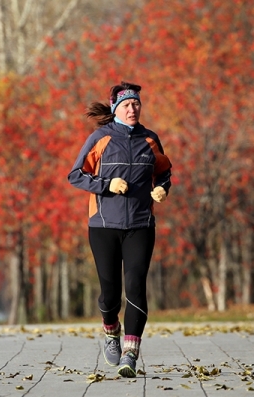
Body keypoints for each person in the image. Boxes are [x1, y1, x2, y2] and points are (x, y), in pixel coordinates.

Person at [67, 81, 172, 378]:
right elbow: (75, 175)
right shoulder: (100, 138)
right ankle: (111, 330)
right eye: (126, 105)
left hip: (140, 224)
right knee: (110, 292)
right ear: (115, 109)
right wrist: (106, 185)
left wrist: (162, 189)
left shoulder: (150, 140)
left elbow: (164, 172)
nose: (133, 109)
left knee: (136, 284)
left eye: (136, 104)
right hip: (103, 225)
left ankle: (130, 353)